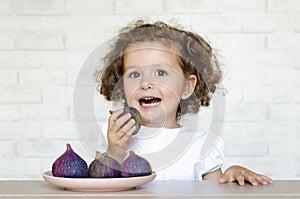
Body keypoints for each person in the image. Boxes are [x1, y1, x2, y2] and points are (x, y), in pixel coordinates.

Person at [95, 19, 273, 186]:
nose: (145, 83)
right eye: (134, 74)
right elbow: (97, 187)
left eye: (160, 73)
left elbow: (215, 192)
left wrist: (232, 175)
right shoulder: (112, 134)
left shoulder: (202, 145)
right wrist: (115, 150)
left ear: (187, 87)